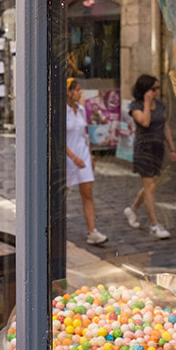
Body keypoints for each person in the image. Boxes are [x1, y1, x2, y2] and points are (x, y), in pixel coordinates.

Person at [124, 74, 176, 238]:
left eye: (157, 89)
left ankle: (132, 209)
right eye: (153, 89)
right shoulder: (135, 106)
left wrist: (172, 148)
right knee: (150, 187)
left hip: (158, 149)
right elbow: (145, 122)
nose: (156, 92)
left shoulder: (160, 104)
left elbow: (164, 126)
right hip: (144, 150)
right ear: (145, 90)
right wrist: (147, 103)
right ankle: (154, 225)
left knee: (151, 185)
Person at [66, 78, 108, 246]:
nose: (80, 92)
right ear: (68, 92)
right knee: (62, 196)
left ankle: (92, 231)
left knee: (88, 194)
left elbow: (84, 135)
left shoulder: (81, 110)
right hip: (68, 158)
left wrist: (89, 156)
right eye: (76, 89)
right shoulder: (61, 112)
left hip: (82, 155)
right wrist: (72, 157)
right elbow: (57, 138)